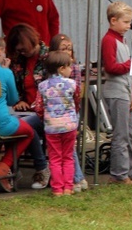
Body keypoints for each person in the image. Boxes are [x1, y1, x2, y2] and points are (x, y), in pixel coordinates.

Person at [0, 35, 35, 192]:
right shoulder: (5, 73)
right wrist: (7, 71)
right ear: (0, 51)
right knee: (29, 132)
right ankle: (3, 167)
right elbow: (12, 100)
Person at [102, 1, 132, 185]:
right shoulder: (109, 41)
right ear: (113, 21)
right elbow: (111, 67)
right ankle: (119, 174)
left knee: (128, 133)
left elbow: (129, 72)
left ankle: (129, 170)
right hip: (116, 91)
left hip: (125, 91)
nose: (129, 26)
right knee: (120, 134)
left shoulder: (122, 41)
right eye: (126, 22)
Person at [5, 23, 52, 190]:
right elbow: (13, 86)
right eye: (19, 51)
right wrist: (19, 101)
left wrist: (37, 105)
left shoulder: (50, 58)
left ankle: (40, 167)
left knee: (24, 127)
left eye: (24, 49)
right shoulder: (19, 61)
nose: (22, 53)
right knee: (13, 126)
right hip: (26, 110)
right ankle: (11, 169)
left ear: (33, 41)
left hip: (47, 112)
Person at [34, 51, 80, 196]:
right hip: (69, 125)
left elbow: (39, 107)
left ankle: (57, 189)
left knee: (54, 158)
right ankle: (68, 187)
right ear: (61, 68)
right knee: (68, 157)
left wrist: (44, 118)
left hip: (51, 126)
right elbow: (77, 101)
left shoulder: (42, 86)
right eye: (69, 66)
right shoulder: (72, 84)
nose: (71, 69)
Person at [49, 33, 89, 193]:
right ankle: (74, 180)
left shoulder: (75, 69)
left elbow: (77, 95)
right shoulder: (49, 70)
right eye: (63, 49)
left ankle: (75, 179)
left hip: (70, 113)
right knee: (63, 151)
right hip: (53, 115)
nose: (67, 53)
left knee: (67, 149)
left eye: (70, 50)